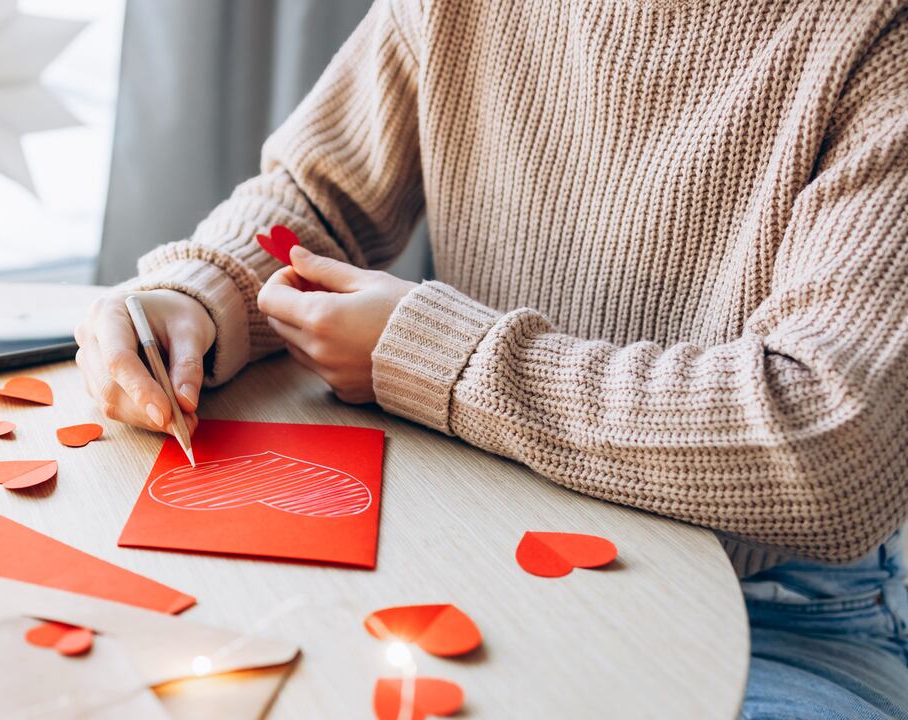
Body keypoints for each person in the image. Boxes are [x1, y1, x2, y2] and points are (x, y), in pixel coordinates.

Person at [75, 0, 908, 715]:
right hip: (472, 547)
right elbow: (317, 200)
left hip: (778, 616)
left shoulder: (880, 37)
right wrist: (198, 293)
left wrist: (450, 361)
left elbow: (835, 438)